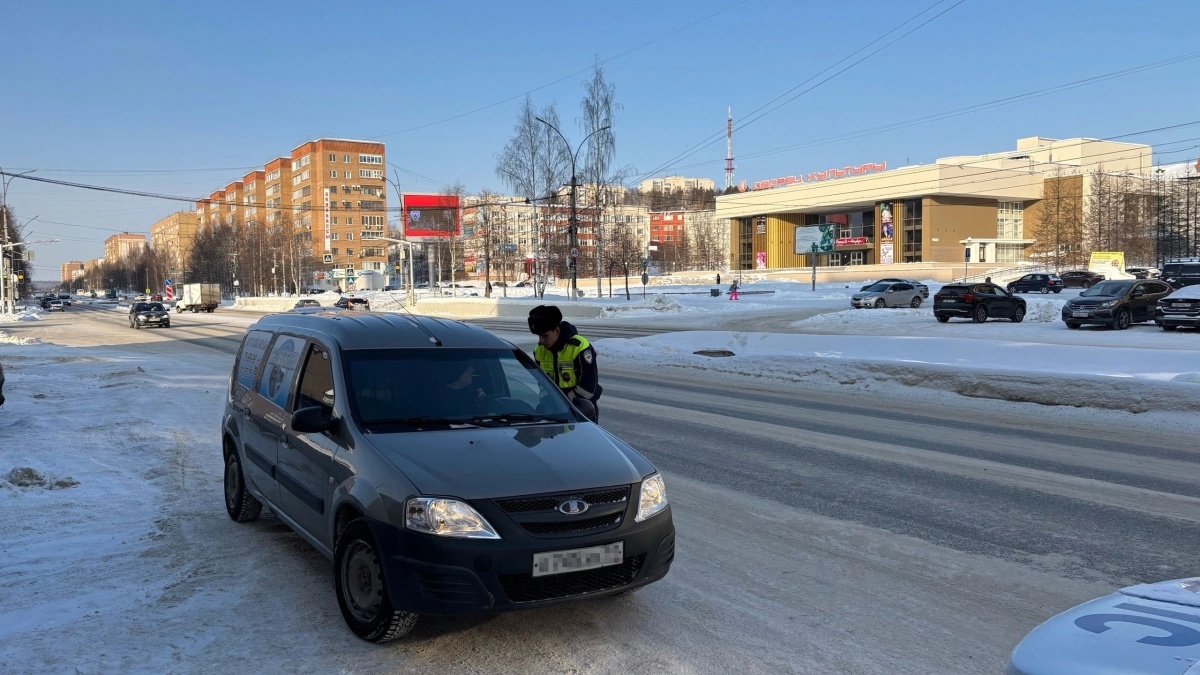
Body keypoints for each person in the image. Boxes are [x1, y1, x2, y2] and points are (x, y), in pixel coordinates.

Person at [528, 305, 602, 420]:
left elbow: (588, 388)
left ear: (557, 331)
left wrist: (563, 403)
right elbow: (542, 384)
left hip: (581, 411)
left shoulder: (580, 347)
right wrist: (549, 402)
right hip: (553, 410)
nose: (541, 341)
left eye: (544, 335)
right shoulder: (539, 350)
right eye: (539, 335)